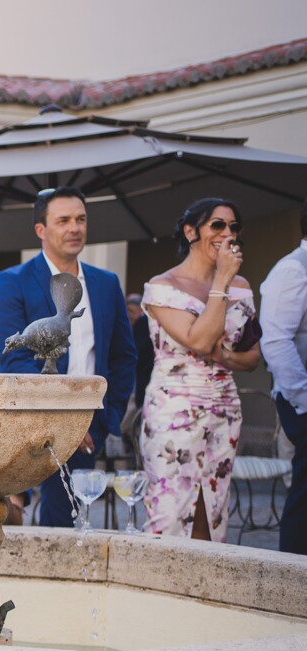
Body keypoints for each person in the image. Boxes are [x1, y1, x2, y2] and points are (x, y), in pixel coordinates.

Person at [0, 186, 136, 528]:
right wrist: (56, 418)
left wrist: (107, 415)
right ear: (41, 230)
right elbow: (14, 358)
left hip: (89, 426)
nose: (75, 228)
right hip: (29, 421)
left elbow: (123, 356)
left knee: (69, 519)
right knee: (13, 519)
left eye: (81, 219)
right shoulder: (12, 281)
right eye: (64, 220)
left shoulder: (105, 283)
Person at [139, 198, 260, 541]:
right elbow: (200, 341)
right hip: (175, 407)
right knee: (171, 513)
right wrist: (221, 278)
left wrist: (225, 356)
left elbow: (252, 357)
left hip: (224, 409)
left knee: (213, 512)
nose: (228, 233)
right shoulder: (162, 287)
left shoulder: (242, 287)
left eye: (234, 226)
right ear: (191, 231)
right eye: (217, 225)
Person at [259, 203, 307, 555]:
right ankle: (294, 577)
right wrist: (304, 400)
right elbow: (275, 341)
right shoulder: (292, 269)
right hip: (300, 399)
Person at [128, 293, 153, 411]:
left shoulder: (143, 323)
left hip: (141, 375)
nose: (129, 315)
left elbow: (138, 352)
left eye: (132, 312)